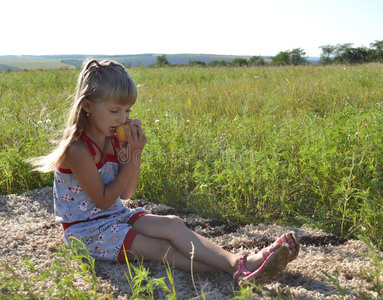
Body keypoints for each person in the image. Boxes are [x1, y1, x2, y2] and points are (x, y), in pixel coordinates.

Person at [31, 59, 299, 286]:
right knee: (160, 249)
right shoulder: (78, 150)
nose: (123, 119)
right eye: (114, 110)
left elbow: (126, 193)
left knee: (172, 223)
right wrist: (132, 155)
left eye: (127, 110)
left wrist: (134, 155)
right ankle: (239, 269)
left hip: (115, 214)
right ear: (88, 106)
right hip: (86, 231)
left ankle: (239, 263)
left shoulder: (113, 139)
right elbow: (103, 199)